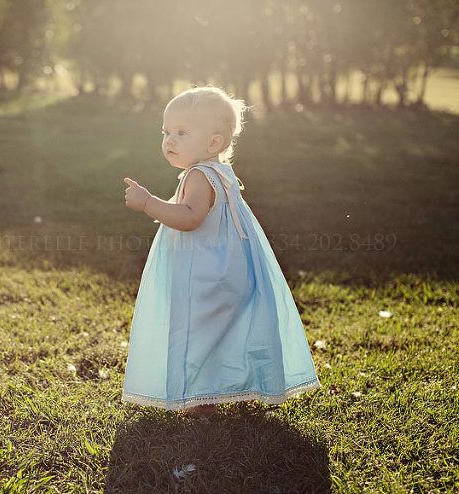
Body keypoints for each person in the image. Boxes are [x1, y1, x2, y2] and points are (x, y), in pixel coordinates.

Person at [121, 86, 321, 416]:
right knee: (226, 331)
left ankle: (200, 400)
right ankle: (237, 388)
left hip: (206, 277)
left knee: (197, 334)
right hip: (232, 271)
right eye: (166, 132)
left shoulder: (199, 176)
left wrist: (148, 204)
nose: (169, 140)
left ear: (214, 143)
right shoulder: (218, 172)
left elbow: (189, 218)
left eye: (182, 132)